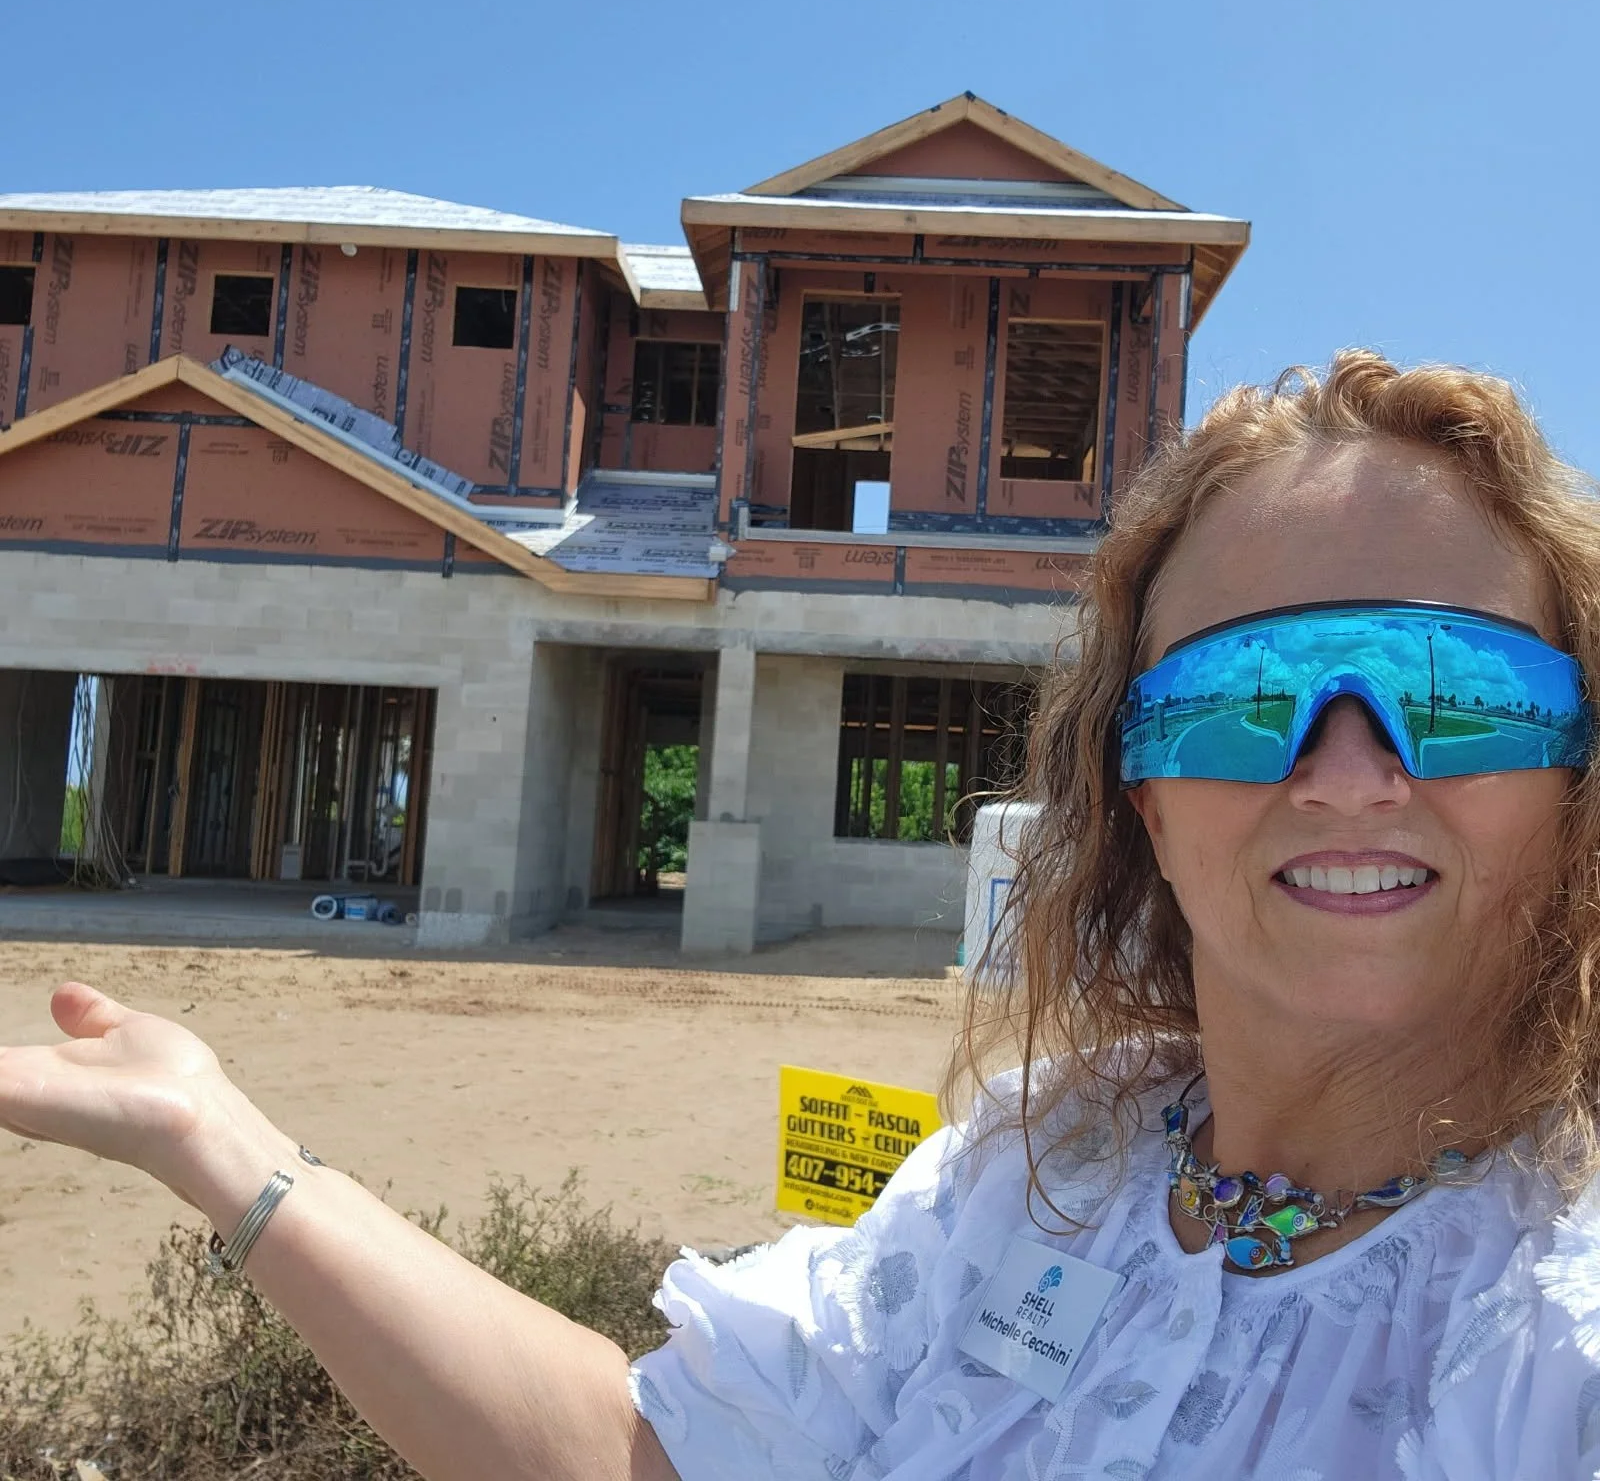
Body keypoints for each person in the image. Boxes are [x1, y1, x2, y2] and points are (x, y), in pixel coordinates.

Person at [2, 350, 1598, 1479]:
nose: (1346, 773)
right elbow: (657, 1454)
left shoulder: (1553, 1333)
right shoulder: (1050, 1165)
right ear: (1140, 793)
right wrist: (221, 1146)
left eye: (1455, 693)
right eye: (1243, 698)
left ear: (1575, 766)